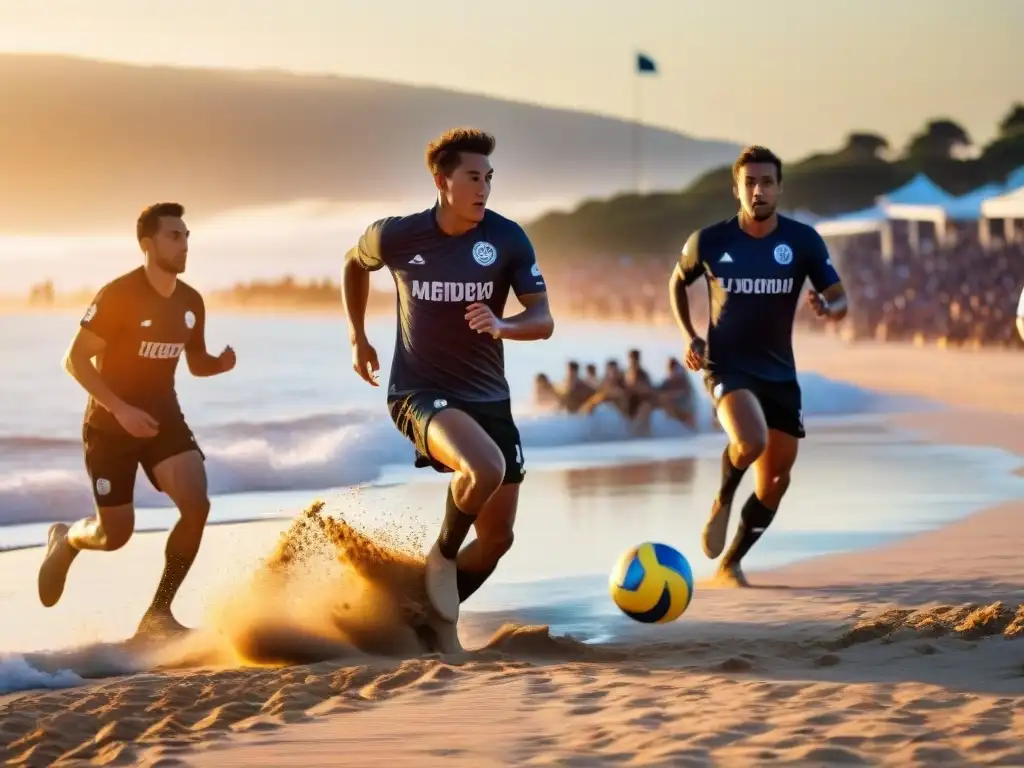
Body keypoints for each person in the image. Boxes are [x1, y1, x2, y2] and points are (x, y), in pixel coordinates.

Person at [342, 127, 553, 627]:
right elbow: (354, 263)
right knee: (484, 468)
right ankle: (442, 551)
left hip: (488, 397)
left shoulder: (505, 238)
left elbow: (542, 319)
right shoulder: (397, 235)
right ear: (442, 180)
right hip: (419, 392)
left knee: (499, 538)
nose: (483, 188)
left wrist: (503, 325)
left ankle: (420, 617)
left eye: (489, 178)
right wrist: (358, 336)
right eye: (473, 177)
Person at [37, 202, 236, 639]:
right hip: (110, 427)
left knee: (197, 506)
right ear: (148, 245)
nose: (183, 245)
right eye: (173, 236)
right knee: (116, 535)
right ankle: (67, 539)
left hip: (164, 418)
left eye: (186, 236)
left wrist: (218, 364)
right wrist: (121, 409)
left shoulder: (190, 301)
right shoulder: (119, 294)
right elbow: (75, 360)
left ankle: (158, 614)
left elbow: (195, 362)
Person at [668, 146, 847, 587]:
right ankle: (722, 500)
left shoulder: (803, 241)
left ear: (779, 188)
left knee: (776, 480)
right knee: (749, 441)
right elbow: (677, 281)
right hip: (726, 366)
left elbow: (841, 299)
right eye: (750, 182)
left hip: (780, 373)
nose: (758, 190)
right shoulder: (709, 240)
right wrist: (690, 335)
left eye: (766, 182)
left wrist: (827, 305)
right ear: (737, 189)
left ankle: (731, 561)